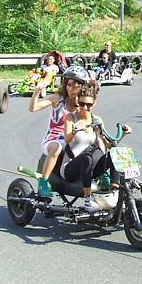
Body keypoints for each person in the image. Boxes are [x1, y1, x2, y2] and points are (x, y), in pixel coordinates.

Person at [61, 79, 129, 213]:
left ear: (94, 103)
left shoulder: (96, 120)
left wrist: (124, 135)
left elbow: (110, 144)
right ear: (77, 102)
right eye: (81, 104)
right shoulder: (71, 118)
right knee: (87, 157)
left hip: (91, 167)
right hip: (71, 167)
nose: (85, 108)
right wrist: (75, 130)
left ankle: (115, 192)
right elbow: (67, 138)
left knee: (117, 153)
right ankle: (87, 200)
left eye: (89, 105)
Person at [29, 66, 84, 197]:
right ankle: (44, 182)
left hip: (72, 138)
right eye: (69, 85)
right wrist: (37, 91)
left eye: (75, 86)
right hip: (54, 138)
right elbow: (33, 108)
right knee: (57, 147)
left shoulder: (83, 103)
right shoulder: (57, 98)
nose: (70, 89)